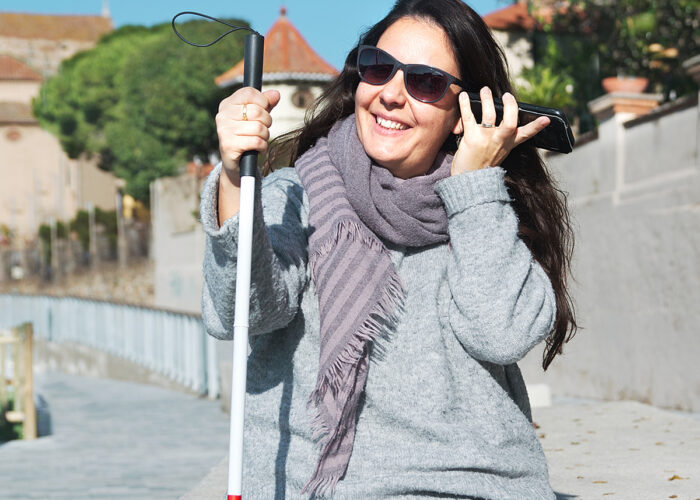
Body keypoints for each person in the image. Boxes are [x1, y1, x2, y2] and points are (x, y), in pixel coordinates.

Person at [200, 0, 577, 497]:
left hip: (466, 486)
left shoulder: (485, 208)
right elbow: (238, 312)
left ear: (467, 113)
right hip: (308, 485)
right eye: (378, 68)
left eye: (426, 82)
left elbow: (500, 335)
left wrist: (475, 186)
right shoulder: (293, 194)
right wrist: (233, 178)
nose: (391, 95)